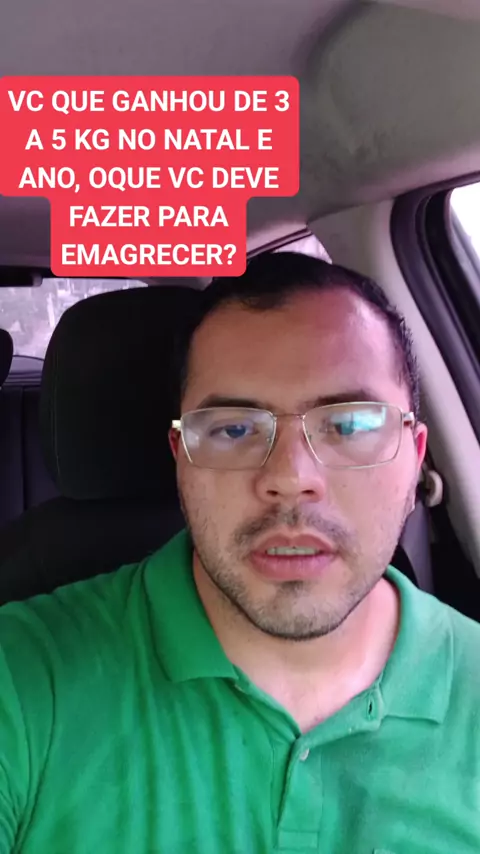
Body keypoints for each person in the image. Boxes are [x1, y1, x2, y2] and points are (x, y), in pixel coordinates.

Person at [0, 251, 479, 854]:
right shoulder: (21, 676)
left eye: (350, 424)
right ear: (180, 459)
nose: (291, 479)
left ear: (415, 458)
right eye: (233, 428)